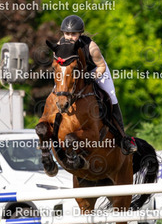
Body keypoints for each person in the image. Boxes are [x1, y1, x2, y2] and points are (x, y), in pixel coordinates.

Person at [59, 15, 137, 154]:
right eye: (67, 33)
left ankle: (123, 138)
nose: (69, 37)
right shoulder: (61, 45)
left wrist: (91, 76)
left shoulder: (91, 47)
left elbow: (101, 66)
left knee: (111, 97)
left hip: (95, 70)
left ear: (80, 33)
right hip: (72, 74)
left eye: (73, 34)